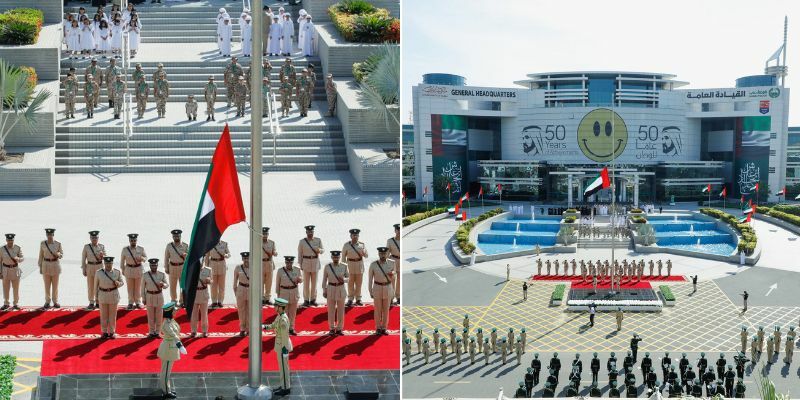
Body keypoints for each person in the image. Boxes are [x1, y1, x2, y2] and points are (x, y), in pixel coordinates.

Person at [262, 298, 293, 395]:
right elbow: (274, 325)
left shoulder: (283, 319)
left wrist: (284, 350)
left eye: (276, 306)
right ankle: (284, 385)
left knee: (284, 368)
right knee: (282, 367)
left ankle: (285, 389)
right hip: (280, 345)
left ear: (280, 307)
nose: (274, 307)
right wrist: (264, 327)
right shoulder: (279, 316)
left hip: (282, 346)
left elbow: (284, 336)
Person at [157, 302, 184, 399]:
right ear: (170, 312)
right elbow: (174, 335)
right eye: (174, 310)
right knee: (166, 372)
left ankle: (167, 388)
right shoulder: (167, 324)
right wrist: (180, 345)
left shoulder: (171, 321)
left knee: (168, 371)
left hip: (170, 347)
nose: (175, 311)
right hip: (168, 349)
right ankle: (166, 391)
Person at [95, 256, 123, 338]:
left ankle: (111, 332)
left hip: (113, 294)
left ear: (112, 263)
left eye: (110, 263)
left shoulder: (117, 272)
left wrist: (118, 283)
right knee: (103, 315)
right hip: (102, 295)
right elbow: (95, 286)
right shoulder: (99, 272)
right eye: (106, 263)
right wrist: (96, 297)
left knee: (112, 315)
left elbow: (122, 282)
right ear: (104, 263)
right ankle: (104, 332)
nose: (108, 265)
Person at [369, 247, 395, 335]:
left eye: (384, 254)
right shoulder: (373, 264)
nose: (382, 255)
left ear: (387, 254)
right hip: (377, 287)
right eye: (381, 254)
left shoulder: (392, 263)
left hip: (387, 287)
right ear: (378, 254)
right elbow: (370, 279)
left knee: (386, 310)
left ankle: (384, 327)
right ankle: (377, 328)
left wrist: (393, 291)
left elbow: (394, 276)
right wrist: (370, 291)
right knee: (377, 309)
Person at [322, 250, 348, 335]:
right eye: (334, 257)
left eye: (337, 257)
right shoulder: (327, 267)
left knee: (341, 310)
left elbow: (349, 278)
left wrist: (344, 280)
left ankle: (339, 328)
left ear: (339, 257)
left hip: (340, 288)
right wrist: (324, 290)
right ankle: (332, 328)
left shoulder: (344, 266)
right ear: (331, 257)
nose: (335, 259)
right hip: (331, 288)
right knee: (331, 310)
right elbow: (324, 279)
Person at [297, 225, 323, 306]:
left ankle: (313, 299)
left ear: (313, 232)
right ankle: (306, 300)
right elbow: (300, 253)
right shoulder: (302, 241)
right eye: (308, 232)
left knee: (314, 283)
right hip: (306, 262)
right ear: (306, 232)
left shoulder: (318, 240)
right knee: (306, 283)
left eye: (311, 232)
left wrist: (320, 250)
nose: (310, 233)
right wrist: (300, 264)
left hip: (315, 262)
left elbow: (322, 250)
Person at [275, 256, 302, 335]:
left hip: (294, 292)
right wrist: (278, 296)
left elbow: (301, 278)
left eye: (290, 262)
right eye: (287, 262)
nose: (289, 264)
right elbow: (277, 284)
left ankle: (291, 328)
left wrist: (300, 279)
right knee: (283, 313)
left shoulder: (297, 270)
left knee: (293, 313)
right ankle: (283, 329)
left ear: (292, 262)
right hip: (284, 292)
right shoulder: (280, 271)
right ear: (285, 262)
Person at [142, 258, 168, 338]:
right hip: (149, 295)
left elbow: (167, 285)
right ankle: (151, 332)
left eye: (155, 265)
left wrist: (163, 285)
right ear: (150, 266)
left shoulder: (162, 274)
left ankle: (158, 332)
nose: (154, 267)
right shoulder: (145, 275)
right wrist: (143, 298)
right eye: (152, 265)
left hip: (159, 295)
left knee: (159, 315)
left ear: (157, 266)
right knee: (150, 316)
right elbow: (142, 288)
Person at [38, 229, 64, 309]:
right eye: (48, 235)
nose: (49, 236)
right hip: (46, 265)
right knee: (47, 285)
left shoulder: (58, 243)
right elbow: (41, 256)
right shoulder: (43, 243)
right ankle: (47, 301)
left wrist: (58, 254)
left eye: (51, 234)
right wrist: (40, 266)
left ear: (53, 235)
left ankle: (55, 301)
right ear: (46, 235)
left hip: (55, 265)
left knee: (55, 285)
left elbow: (62, 254)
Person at [120, 233, 147, 309]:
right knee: (130, 287)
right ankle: (130, 302)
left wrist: (141, 258)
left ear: (136, 240)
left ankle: (138, 302)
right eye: (131, 240)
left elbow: (145, 257)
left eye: (134, 240)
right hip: (129, 269)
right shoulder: (125, 249)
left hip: (138, 269)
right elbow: (122, 260)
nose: (133, 242)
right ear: (129, 240)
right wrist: (123, 269)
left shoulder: (141, 249)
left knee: (138, 287)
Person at [81, 231, 106, 309]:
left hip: (99, 266)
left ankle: (98, 301)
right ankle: (91, 301)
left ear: (98, 238)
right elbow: (83, 259)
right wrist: (84, 269)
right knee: (90, 285)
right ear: (90, 238)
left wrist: (103, 255)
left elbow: (106, 257)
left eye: (95, 238)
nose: (94, 239)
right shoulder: (86, 247)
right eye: (93, 238)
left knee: (99, 285)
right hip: (90, 266)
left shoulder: (101, 246)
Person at [1, 234, 23, 310]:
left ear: (13, 240)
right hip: (5, 270)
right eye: (9, 240)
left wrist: (18, 259)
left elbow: (22, 257)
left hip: (15, 270)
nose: (10, 241)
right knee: (6, 288)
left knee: (16, 288)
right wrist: (0, 272)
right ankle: (6, 303)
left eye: (12, 240)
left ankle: (16, 303)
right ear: (6, 240)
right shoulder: (2, 249)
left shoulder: (17, 248)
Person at [233, 252, 252, 336]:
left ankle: (248, 328)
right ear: (242, 259)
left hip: (250, 289)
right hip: (241, 288)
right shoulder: (238, 268)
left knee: (249, 310)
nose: (246, 260)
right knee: (241, 310)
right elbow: (235, 281)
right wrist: (236, 292)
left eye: (247, 258)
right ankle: (242, 328)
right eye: (244, 258)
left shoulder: (253, 267)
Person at [260, 227, 277, 305]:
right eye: (263, 234)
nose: (264, 235)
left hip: (269, 263)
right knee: (261, 282)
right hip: (261, 263)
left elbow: (275, 251)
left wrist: (275, 253)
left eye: (266, 234)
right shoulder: (258, 243)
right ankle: (261, 298)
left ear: (268, 234)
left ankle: (267, 298)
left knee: (268, 282)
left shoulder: (272, 243)